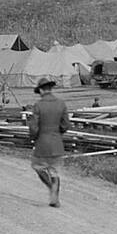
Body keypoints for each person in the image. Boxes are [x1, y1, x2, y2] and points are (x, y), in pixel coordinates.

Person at [28, 78, 69, 206]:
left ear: (40, 90)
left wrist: (33, 138)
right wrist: (58, 133)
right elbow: (66, 124)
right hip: (57, 143)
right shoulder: (61, 103)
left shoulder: (38, 105)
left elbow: (34, 127)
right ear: (50, 89)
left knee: (37, 166)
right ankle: (55, 196)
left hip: (42, 143)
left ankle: (51, 188)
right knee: (54, 170)